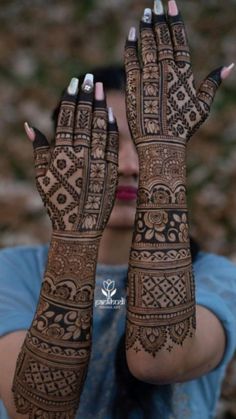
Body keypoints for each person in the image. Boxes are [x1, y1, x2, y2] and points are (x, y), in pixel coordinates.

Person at [0, 0, 235, 418]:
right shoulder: (12, 274)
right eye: (103, 144)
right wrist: (75, 233)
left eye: (145, 142)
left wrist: (162, 155)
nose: (127, 165)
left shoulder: (215, 278)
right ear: (60, 160)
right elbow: (35, 411)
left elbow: (157, 357)